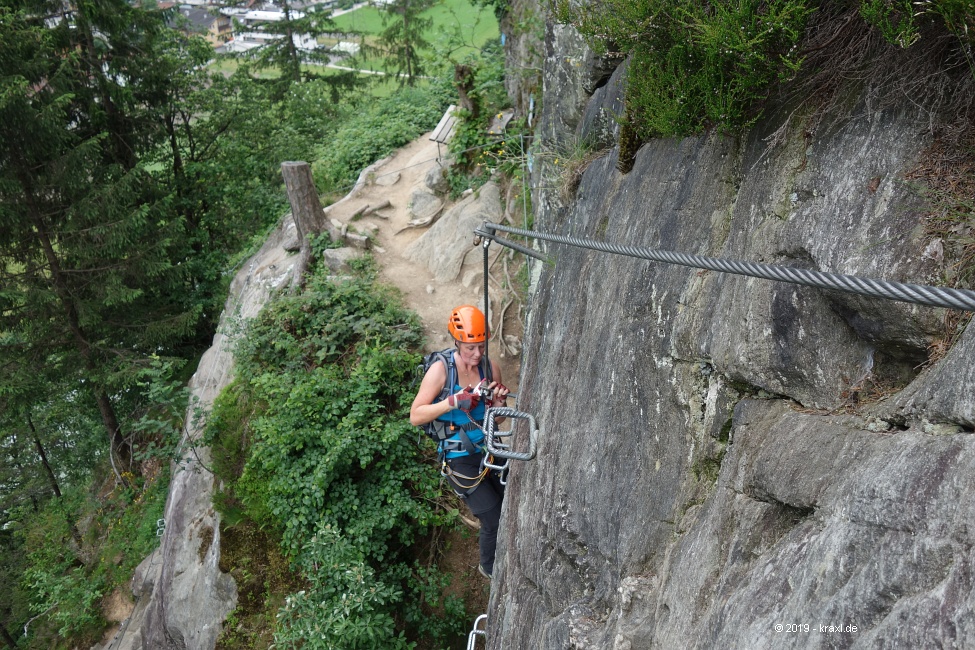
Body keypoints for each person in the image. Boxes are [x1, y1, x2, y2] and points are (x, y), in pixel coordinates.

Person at [410, 305, 510, 578]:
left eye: (481, 346)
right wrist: (452, 401)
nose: (477, 354)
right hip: (458, 457)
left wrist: (498, 404)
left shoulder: (490, 368)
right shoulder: (441, 372)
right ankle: (489, 569)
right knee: (492, 517)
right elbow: (416, 415)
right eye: (470, 348)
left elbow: (494, 420)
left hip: (489, 447)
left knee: (512, 503)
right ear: (457, 342)